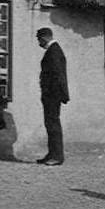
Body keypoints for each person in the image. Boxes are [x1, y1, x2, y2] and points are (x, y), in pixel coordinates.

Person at [36, 27, 69, 166]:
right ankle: (52, 153)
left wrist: (55, 94)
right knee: (50, 124)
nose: (39, 43)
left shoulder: (53, 52)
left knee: (53, 124)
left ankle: (57, 156)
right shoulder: (54, 50)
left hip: (52, 95)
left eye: (39, 40)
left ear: (44, 37)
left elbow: (57, 75)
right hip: (51, 94)